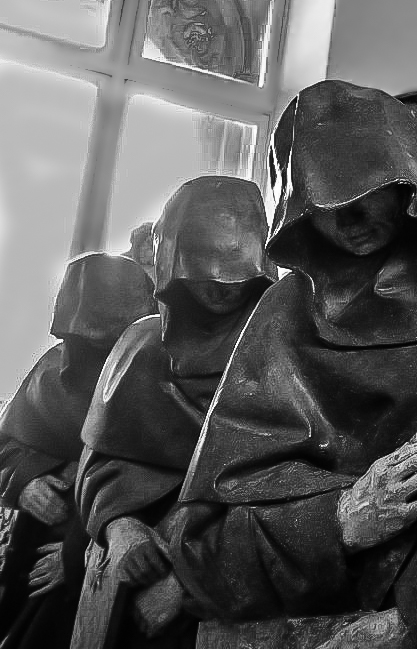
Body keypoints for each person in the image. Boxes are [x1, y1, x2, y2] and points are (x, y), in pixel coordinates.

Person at [169, 80, 417, 649]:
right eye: (322, 206)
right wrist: (341, 519)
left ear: (409, 182)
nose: (349, 221)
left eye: (367, 191)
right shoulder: (285, 316)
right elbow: (203, 547)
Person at [76, 176, 275, 648]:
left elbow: (281, 488)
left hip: (232, 585)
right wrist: (117, 524)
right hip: (130, 576)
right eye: (202, 271)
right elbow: (98, 460)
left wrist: (188, 582)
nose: (221, 289)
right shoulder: (142, 345)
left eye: (235, 272)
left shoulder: (280, 347)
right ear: (172, 262)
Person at [0, 253, 155, 649]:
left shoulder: (155, 378)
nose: (100, 347)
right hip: (31, 550)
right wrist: (26, 481)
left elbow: (156, 480)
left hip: (100, 559)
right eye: (88, 335)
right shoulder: (52, 372)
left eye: (115, 333)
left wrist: (76, 553)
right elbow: (5, 447)